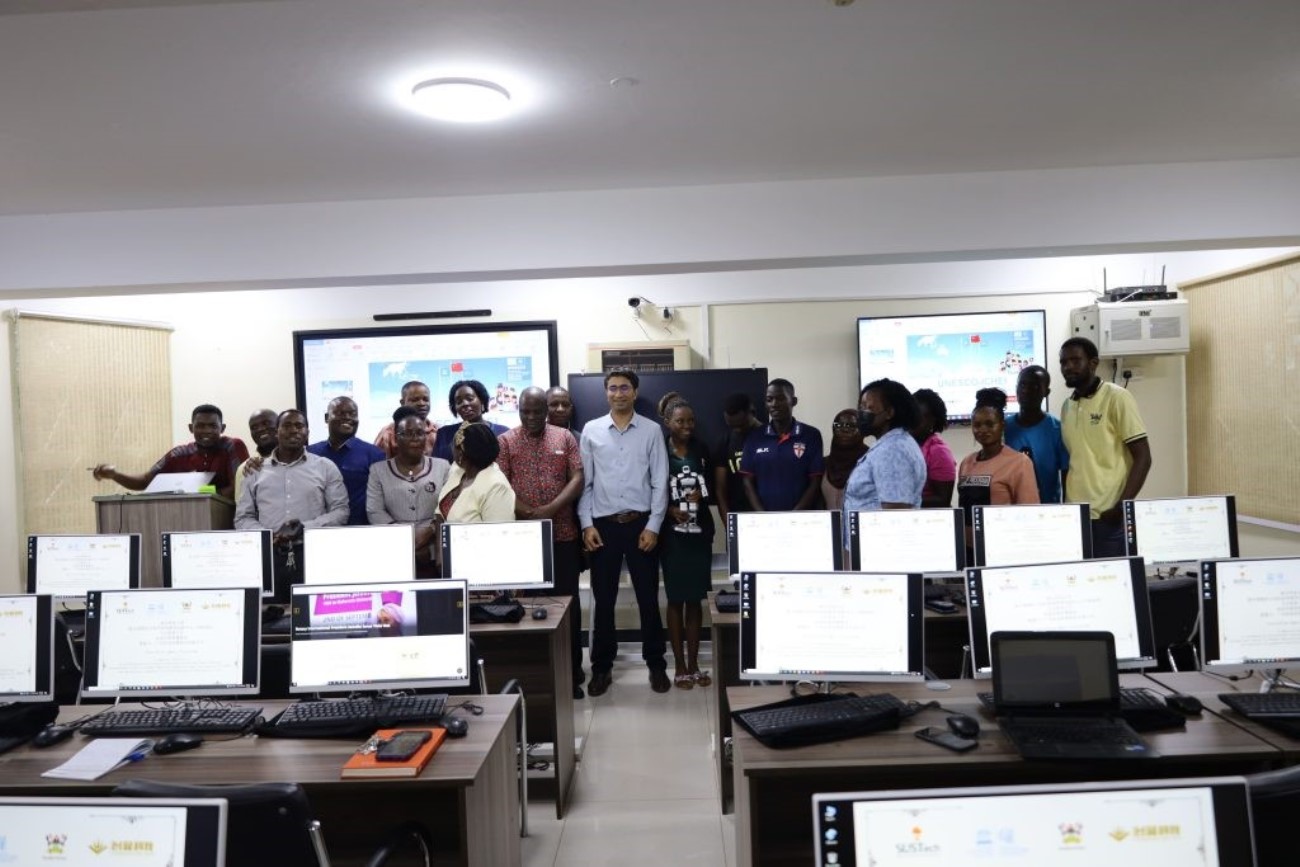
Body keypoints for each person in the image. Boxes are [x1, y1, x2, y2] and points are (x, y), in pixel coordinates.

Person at [578, 369, 671, 696]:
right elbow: (585, 483)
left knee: (648, 598)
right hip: (603, 527)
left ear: (634, 392)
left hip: (640, 525)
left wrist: (653, 526)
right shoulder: (591, 431)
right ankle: (602, 667)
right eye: (613, 388)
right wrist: (586, 523)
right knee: (603, 601)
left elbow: (660, 482)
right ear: (606, 393)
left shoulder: (651, 431)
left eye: (624, 388)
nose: (618, 393)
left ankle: (656, 664)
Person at [496, 387, 586, 697]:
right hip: (523, 539)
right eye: (526, 411)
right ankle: (539, 677)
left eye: (538, 411)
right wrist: (529, 513)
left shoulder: (564, 437)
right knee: (527, 609)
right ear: (519, 410)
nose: (532, 417)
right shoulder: (505, 441)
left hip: (562, 535)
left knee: (567, 607)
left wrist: (550, 510)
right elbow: (501, 485)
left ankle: (572, 674)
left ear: (547, 410)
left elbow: (577, 477)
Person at [234, 409, 349, 601]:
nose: (293, 430)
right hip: (269, 556)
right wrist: (269, 537)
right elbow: (243, 518)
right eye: (287, 426)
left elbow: (341, 511)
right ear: (277, 432)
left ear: (307, 433)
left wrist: (305, 528)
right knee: (271, 617)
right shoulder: (255, 470)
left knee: (311, 615)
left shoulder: (325, 467)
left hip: (314, 554)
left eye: (299, 426)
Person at [1059, 337, 1152, 557]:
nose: (1068, 367)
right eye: (1063, 362)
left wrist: (1121, 506)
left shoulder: (1117, 397)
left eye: (1075, 360)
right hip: (1076, 516)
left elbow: (1144, 458)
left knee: (1108, 582)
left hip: (1107, 516)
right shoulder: (1067, 406)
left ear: (1093, 363)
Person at [659, 399, 715, 690]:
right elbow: (650, 489)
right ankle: (679, 666)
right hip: (672, 535)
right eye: (680, 421)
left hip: (699, 533)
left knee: (695, 600)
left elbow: (712, 487)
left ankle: (694, 665)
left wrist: (700, 497)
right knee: (675, 599)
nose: (686, 426)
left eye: (690, 421)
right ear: (668, 422)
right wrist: (669, 510)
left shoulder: (702, 449)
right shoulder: (659, 451)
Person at [92, 404, 249, 500]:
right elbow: (145, 482)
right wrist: (115, 475)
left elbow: (240, 487)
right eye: (200, 426)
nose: (206, 431)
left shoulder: (232, 446)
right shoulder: (178, 454)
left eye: (213, 426)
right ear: (190, 428)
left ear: (222, 428)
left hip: (228, 521)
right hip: (187, 518)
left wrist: (203, 495)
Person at [366, 406, 452, 577]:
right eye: (407, 433)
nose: (415, 438)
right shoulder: (378, 470)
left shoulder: (443, 466)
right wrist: (407, 538)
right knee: (395, 603)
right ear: (396, 438)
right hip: (393, 553)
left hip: (435, 555)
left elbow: (449, 506)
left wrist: (429, 531)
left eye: (420, 433)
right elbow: (374, 511)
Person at [957, 388, 1040, 552]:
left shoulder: (1019, 462)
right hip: (968, 548)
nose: (982, 430)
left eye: (989, 424)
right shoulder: (966, 462)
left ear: (1002, 425)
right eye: (977, 425)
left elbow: (1030, 513)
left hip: (1003, 547)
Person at [843, 379, 926, 519]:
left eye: (868, 407)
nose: (861, 413)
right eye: (860, 407)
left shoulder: (893, 451)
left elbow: (895, 515)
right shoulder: (893, 444)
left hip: (878, 540)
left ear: (889, 413)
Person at [739, 379, 824, 511]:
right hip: (764, 519)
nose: (774, 404)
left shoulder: (811, 435)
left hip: (801, 519)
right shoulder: (755, 437)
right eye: (769, 399)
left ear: (794, 401)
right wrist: (762, 515)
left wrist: (794, 515)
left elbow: (815, 482)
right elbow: (747, 482)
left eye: (780, 399)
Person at [307, 396, 385, 525]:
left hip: (360, 531)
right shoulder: (311, 452)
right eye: (341, 413)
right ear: (327, 417)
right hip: (318, 530)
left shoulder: (374, 454)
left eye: (352, 414)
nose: (348, 417)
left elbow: (381, 500)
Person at [1004, 365, 1070, 504]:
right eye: (1022, 385)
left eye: (1034, 387)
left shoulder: (1057, 429)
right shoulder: (1004, 428)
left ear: (1046, 392)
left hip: (1047, 511)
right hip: (1009, 511)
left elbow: (1067, 475)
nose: (1026, 391)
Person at [437, 422, 516, 524]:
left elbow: (499, 534)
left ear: (461, 454)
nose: (451, 448)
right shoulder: (458, 470)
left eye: (453, 446)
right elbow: (439, 513)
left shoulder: (496, 486)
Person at [712, 391, 762, 529]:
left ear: (752, 412)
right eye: (732, 426)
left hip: (768, 512)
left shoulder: (768, 437)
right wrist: (729, 524)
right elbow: (720, 489)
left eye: (741, 425)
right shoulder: (725, 442)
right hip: (738, 515)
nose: (737, 429)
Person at [431, 380, 509, 463]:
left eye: (470, 399)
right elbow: (438, 467)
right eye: (459, 402)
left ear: (482, 400)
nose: (464, 404)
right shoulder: (444, 434)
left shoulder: (503, 432)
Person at [910, 389, 957, 508]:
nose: (914, 421)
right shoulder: (906, 445)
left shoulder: (939, 452)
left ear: (933, 421)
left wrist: (903, 502)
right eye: (912, 415)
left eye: (920, 417)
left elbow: (943, 499)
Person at [373, 381, 438, 457]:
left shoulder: (438, 431)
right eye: (415, 400)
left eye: (426, 399)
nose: (421, 403)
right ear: (402, 403)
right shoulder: (388, 434)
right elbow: (377, 464)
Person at [822, 408, 868, 513]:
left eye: (851, 426)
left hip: (861, 526)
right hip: (830, 526)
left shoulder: (869, 461)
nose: (844, 429)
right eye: (838, 425)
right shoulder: (825, 464)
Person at [234, 408, 277, 505]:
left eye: (266, 423)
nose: (260, 429)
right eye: (254, 427)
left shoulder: (297, 459)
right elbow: (242, 510)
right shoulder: (244, 469)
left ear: (279, 425)